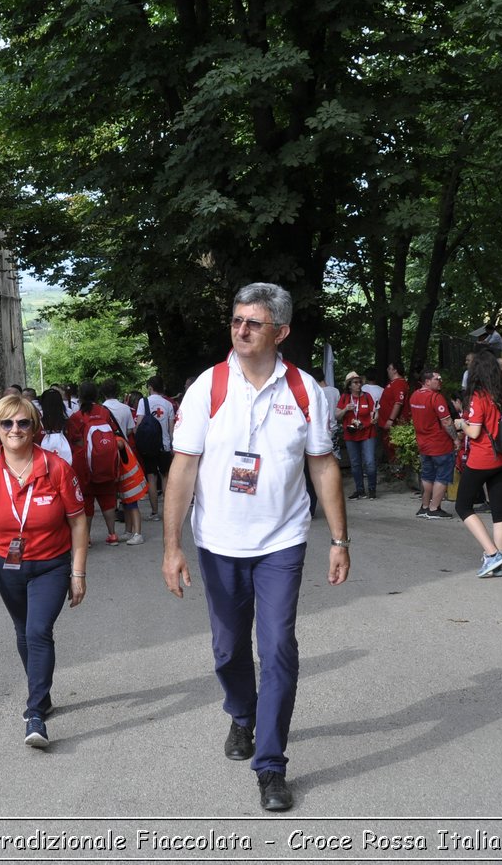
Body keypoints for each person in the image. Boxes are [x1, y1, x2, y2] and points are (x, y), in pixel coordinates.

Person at [161, 282, 350, 813]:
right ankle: (242, 714)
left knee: (279, 648)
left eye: (253, 323)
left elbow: (322, 464)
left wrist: (339, 538)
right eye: (236, 321)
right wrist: (171, 546)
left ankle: (270, 766)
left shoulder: (306, 391)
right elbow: (183, 466)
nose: (241, 330)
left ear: (281, 332)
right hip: (218, 543)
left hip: (282, 542)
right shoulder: (209, 386)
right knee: (227, 650)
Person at [0, 393, 90, 748]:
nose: (15, 429)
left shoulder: (56, 468)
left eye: (23, 422)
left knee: (37, 630)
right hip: (7, 566)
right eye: (7, 423)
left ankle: (34, 712)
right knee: (22, 631)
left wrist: (77, 572)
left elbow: (78, 522)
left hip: (51, 564)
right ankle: (42, 694)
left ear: (35, 428)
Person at [452, 351, 502, 578]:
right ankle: (497, 562)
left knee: (462, 506)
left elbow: (475, 431)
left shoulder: (478, 396)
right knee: (498, 508)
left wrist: (461, 423)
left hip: (483, 458)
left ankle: (492, 554)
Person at [69, 381, 123, 545]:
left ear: (80, 396)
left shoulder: (76, 417)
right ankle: (112, 534)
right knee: (107, 499)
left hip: (83, 464)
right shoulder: (104, 412)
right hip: (106, 462)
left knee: (87, 501)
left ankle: (87, 538)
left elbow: (72, 440)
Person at [408, 371, 457, 519]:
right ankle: (434, 509)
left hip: (423, 444)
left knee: (427, 476)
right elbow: (447, 422)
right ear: (427, 381)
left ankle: (424, 507)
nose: (440, 381)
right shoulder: (436, 397)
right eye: (437, 379)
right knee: (442, 475)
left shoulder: (414, 396)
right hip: (440, 444)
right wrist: (456, 438)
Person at [134, 377, 175, 521]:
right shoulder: (168, 404)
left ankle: (155, 513)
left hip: (149, 445)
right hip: (164, 445)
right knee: (165, 477)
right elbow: (171, 429)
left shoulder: (143, 402)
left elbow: (138, 425)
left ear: (150, 387)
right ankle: (168, 512)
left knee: (151, 477)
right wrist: (171, 445)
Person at [336, 371, 378, 499]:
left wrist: (374, 417)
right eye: (355, 382)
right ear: (349, 385)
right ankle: (360, 490)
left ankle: (372, 489)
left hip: (367, 432)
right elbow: (336, 416)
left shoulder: (367, 396)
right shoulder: (344, 398)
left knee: (370, 462)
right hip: (351, 434)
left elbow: (375, 412)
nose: (358, 384)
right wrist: (345, 409)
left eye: (359, 382)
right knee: (355, 463)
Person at [376, 362, 410, 473]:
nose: (387, 370)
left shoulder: (399, 383)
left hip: (395, 424)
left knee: (394, 446)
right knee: (389, 446)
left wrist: (390, 420)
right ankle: (395, 470)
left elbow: (398, 403)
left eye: (389, 368)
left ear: (395, 370)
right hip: (387, 423)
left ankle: (399, 471)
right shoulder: (393, 383)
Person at [37, 388, 75, 466]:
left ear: (42, 403)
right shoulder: (68, 423)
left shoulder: (38, 424)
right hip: (67, 468)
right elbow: (78, 444)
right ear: (61, 403)